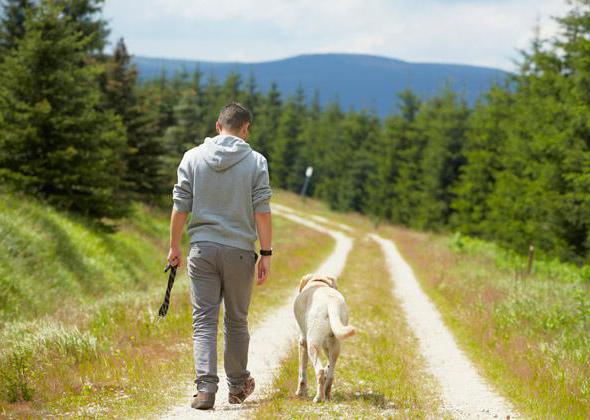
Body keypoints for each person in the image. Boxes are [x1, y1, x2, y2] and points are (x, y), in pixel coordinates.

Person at [167, 102, 272, 410]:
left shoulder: (192, 157)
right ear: (245, 129)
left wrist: (174, 246)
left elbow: (180, 206)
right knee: (237, 320)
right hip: (240, 252)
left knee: (204, 320)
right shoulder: (255, 161)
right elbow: (262, 212)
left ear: (217, 126)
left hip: (202, 249)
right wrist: (265, 253)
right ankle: (238, 386)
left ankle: (205, 391)